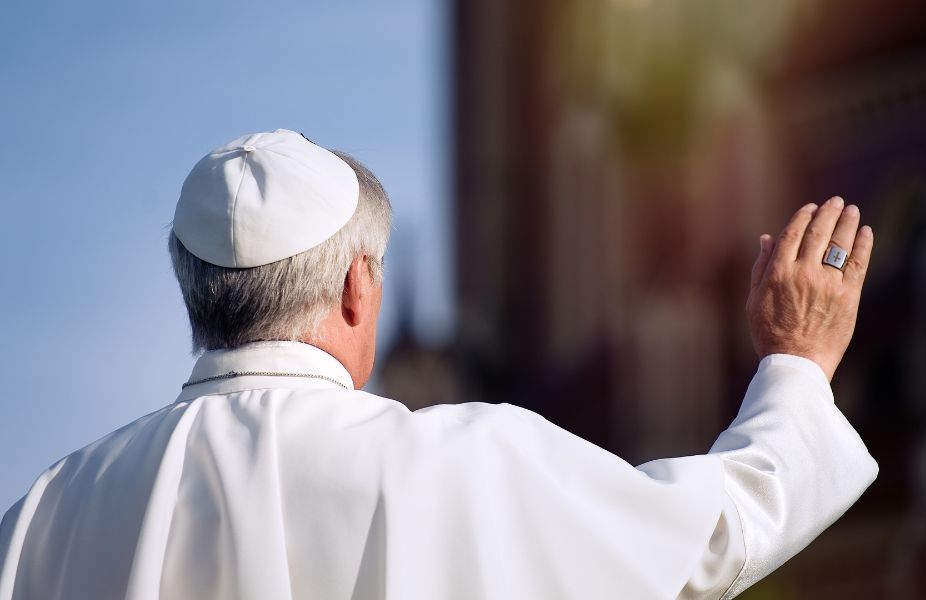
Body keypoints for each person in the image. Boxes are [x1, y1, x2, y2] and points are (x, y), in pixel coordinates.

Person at [0, 129, 877, 600]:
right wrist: (797, 362)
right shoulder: (463, 463)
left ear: (195, 295)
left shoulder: (41, 516)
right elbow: (706, 543)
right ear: (358, 288)